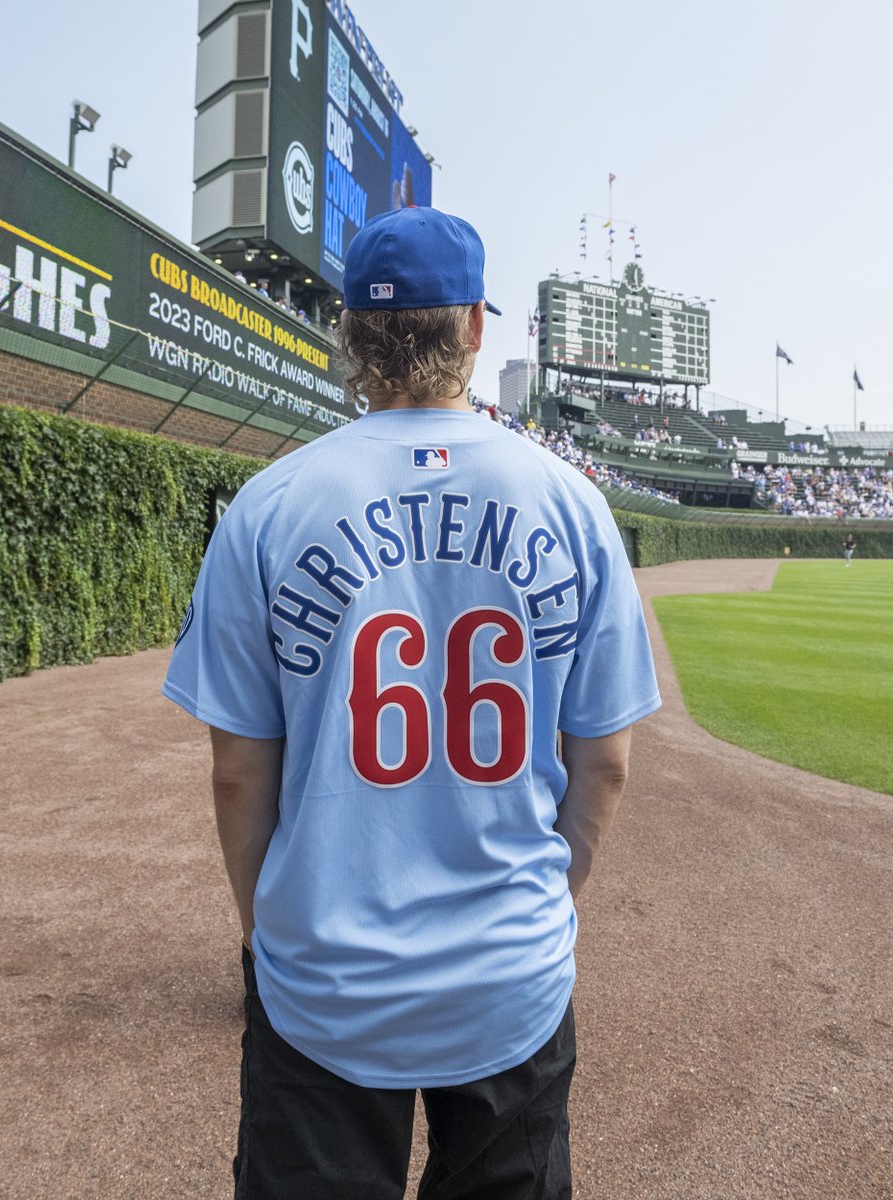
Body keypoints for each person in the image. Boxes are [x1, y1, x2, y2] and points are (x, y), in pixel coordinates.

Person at [162, 206, 662, 1200]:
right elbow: (604, 761)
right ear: (475, 328)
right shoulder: (572, 503)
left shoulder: (268, 503)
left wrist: (273, 933)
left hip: (326, 982)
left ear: (347, 334)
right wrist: (539, 911)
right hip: (508, 977)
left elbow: (236, 770)